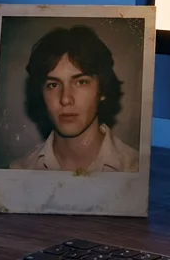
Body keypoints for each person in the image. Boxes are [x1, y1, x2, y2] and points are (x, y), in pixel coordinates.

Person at [9, 25, 139, 173]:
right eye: (53, 85)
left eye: (81, 82)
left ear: (102, 90)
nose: (65, 99)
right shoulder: (19, 171)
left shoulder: (135, 169)